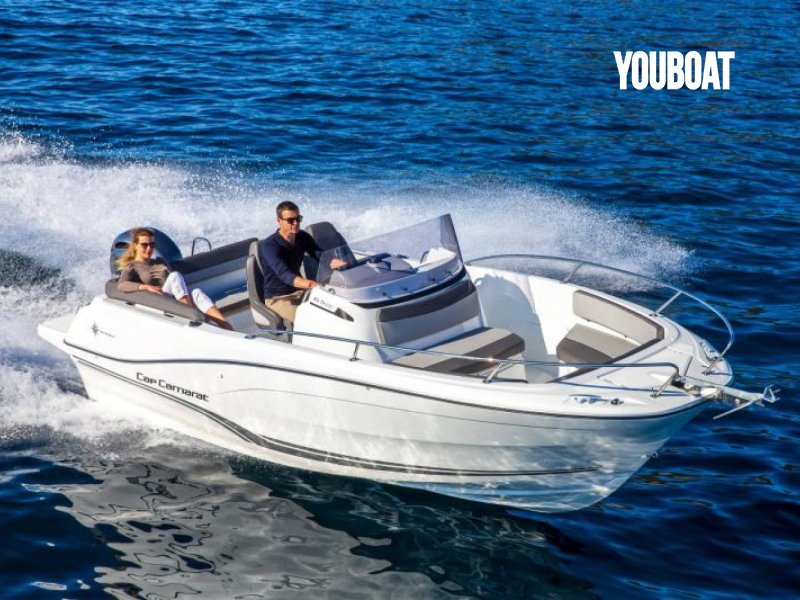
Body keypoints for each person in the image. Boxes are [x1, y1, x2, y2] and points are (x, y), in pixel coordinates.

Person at [116, 227, 232, 330]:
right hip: (157, 301)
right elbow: (121, 285)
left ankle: (227, 328)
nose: (149, 248)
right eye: (144, 245)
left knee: (197, 293)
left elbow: (176, 286)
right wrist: (145, 287)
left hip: (172, 301)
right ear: (136, 245)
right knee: (174, 275)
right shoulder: (132, 266)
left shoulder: (160, 262)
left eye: (152, 244)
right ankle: (191, 315)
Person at [258, 201, 323, 326]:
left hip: (300, 292)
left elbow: (319, 254)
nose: (296, 223)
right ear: (279, 221)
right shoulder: (270, 246)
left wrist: (335, 262)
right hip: (278, 298)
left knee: (333, 312)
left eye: (298, 219)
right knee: (310, 323)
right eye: (290, 220)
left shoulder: (302, 237)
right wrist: (309, 284)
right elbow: (284, 274)